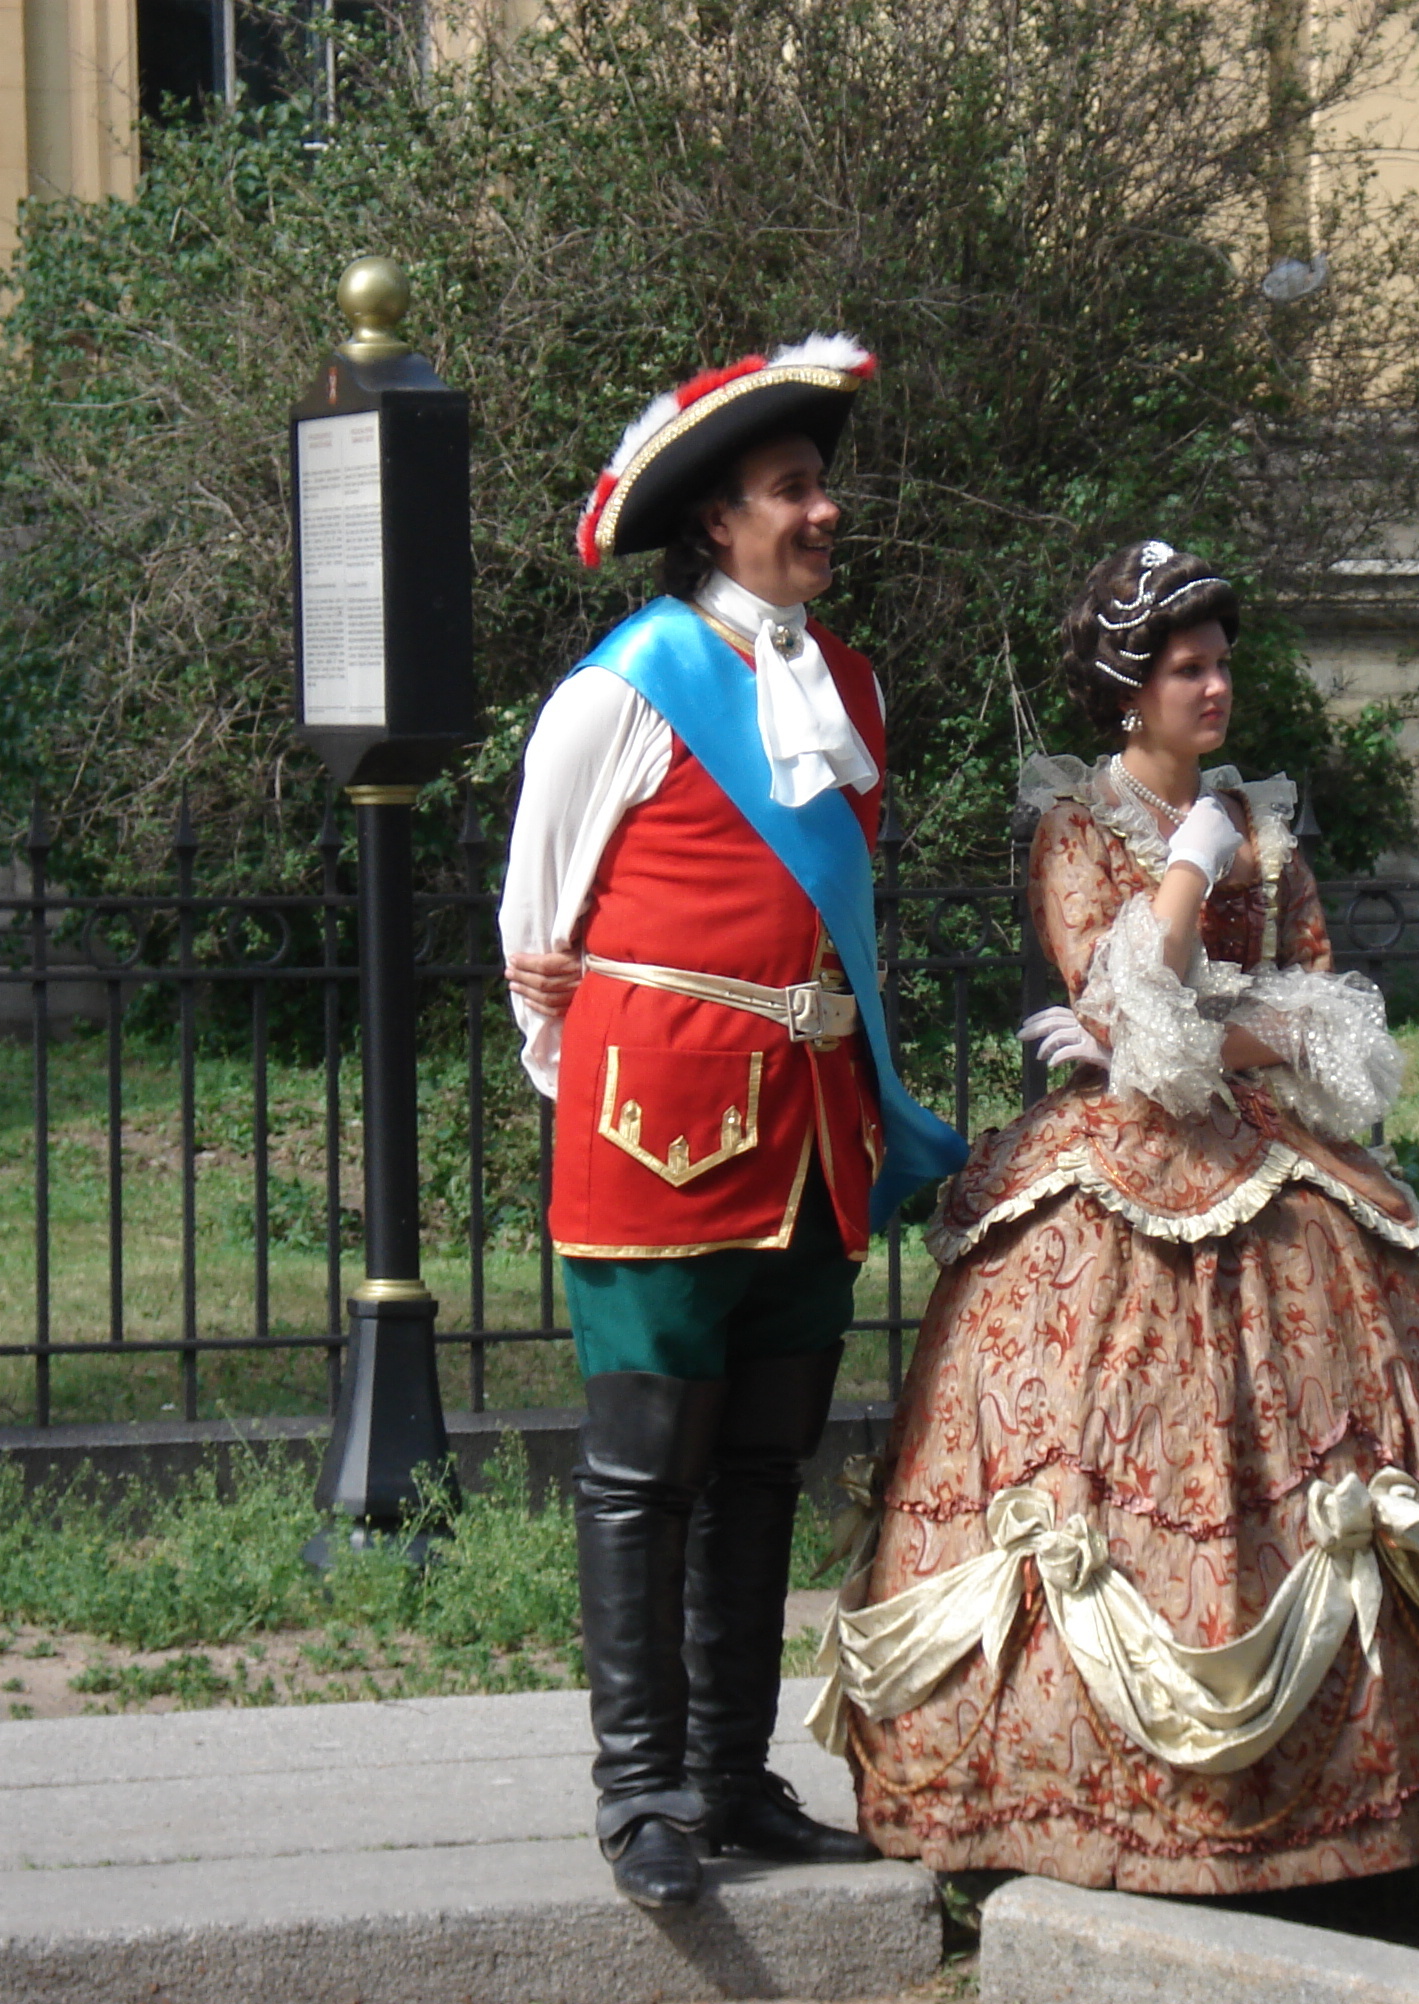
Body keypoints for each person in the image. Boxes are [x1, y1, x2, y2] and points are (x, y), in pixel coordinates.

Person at [806, 540, 1419, 1894]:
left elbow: (1324, 1024)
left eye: (1222, 664)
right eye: (1186, 669)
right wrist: (1185, 909)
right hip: (1115, 1170)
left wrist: (1205, 1020)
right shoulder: (1080, 829)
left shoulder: (1264, 832)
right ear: (1128, 689)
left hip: (1279, 1165)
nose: (1215, 688)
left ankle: (1382, 1794)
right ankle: (1061, 1788)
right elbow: (1132, 1019)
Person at [499, 334, 966, 1909]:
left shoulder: (851, 689)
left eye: (822, 486)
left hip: (817, 1135)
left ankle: (733, 1776)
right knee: (644, 1472)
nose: (823, 513)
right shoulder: (628, 685)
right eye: (791, 491)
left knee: (764, 1466)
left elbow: (836, 910)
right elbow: (533, 931)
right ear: (718, 522)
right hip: (656, 1130)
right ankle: (638, 1794)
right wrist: (608, 1097)